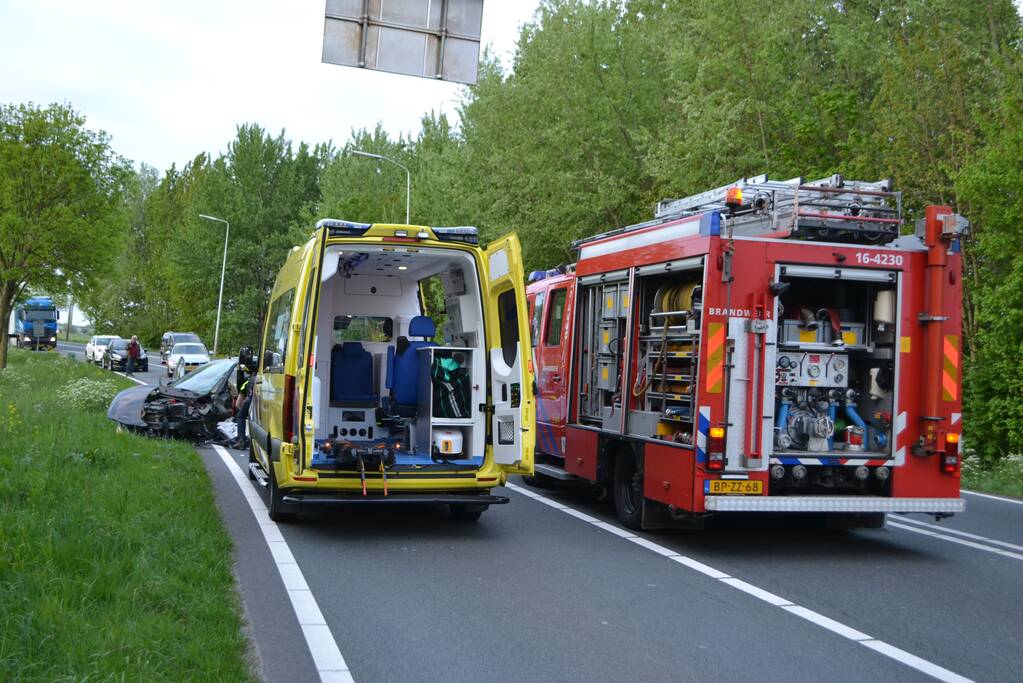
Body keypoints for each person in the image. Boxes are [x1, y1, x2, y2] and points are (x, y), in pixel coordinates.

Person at [232, 347, 253, 449]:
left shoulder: (247, 382)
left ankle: (241, 440)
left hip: (251, 401)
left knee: (241, 417)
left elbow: (237, 404)